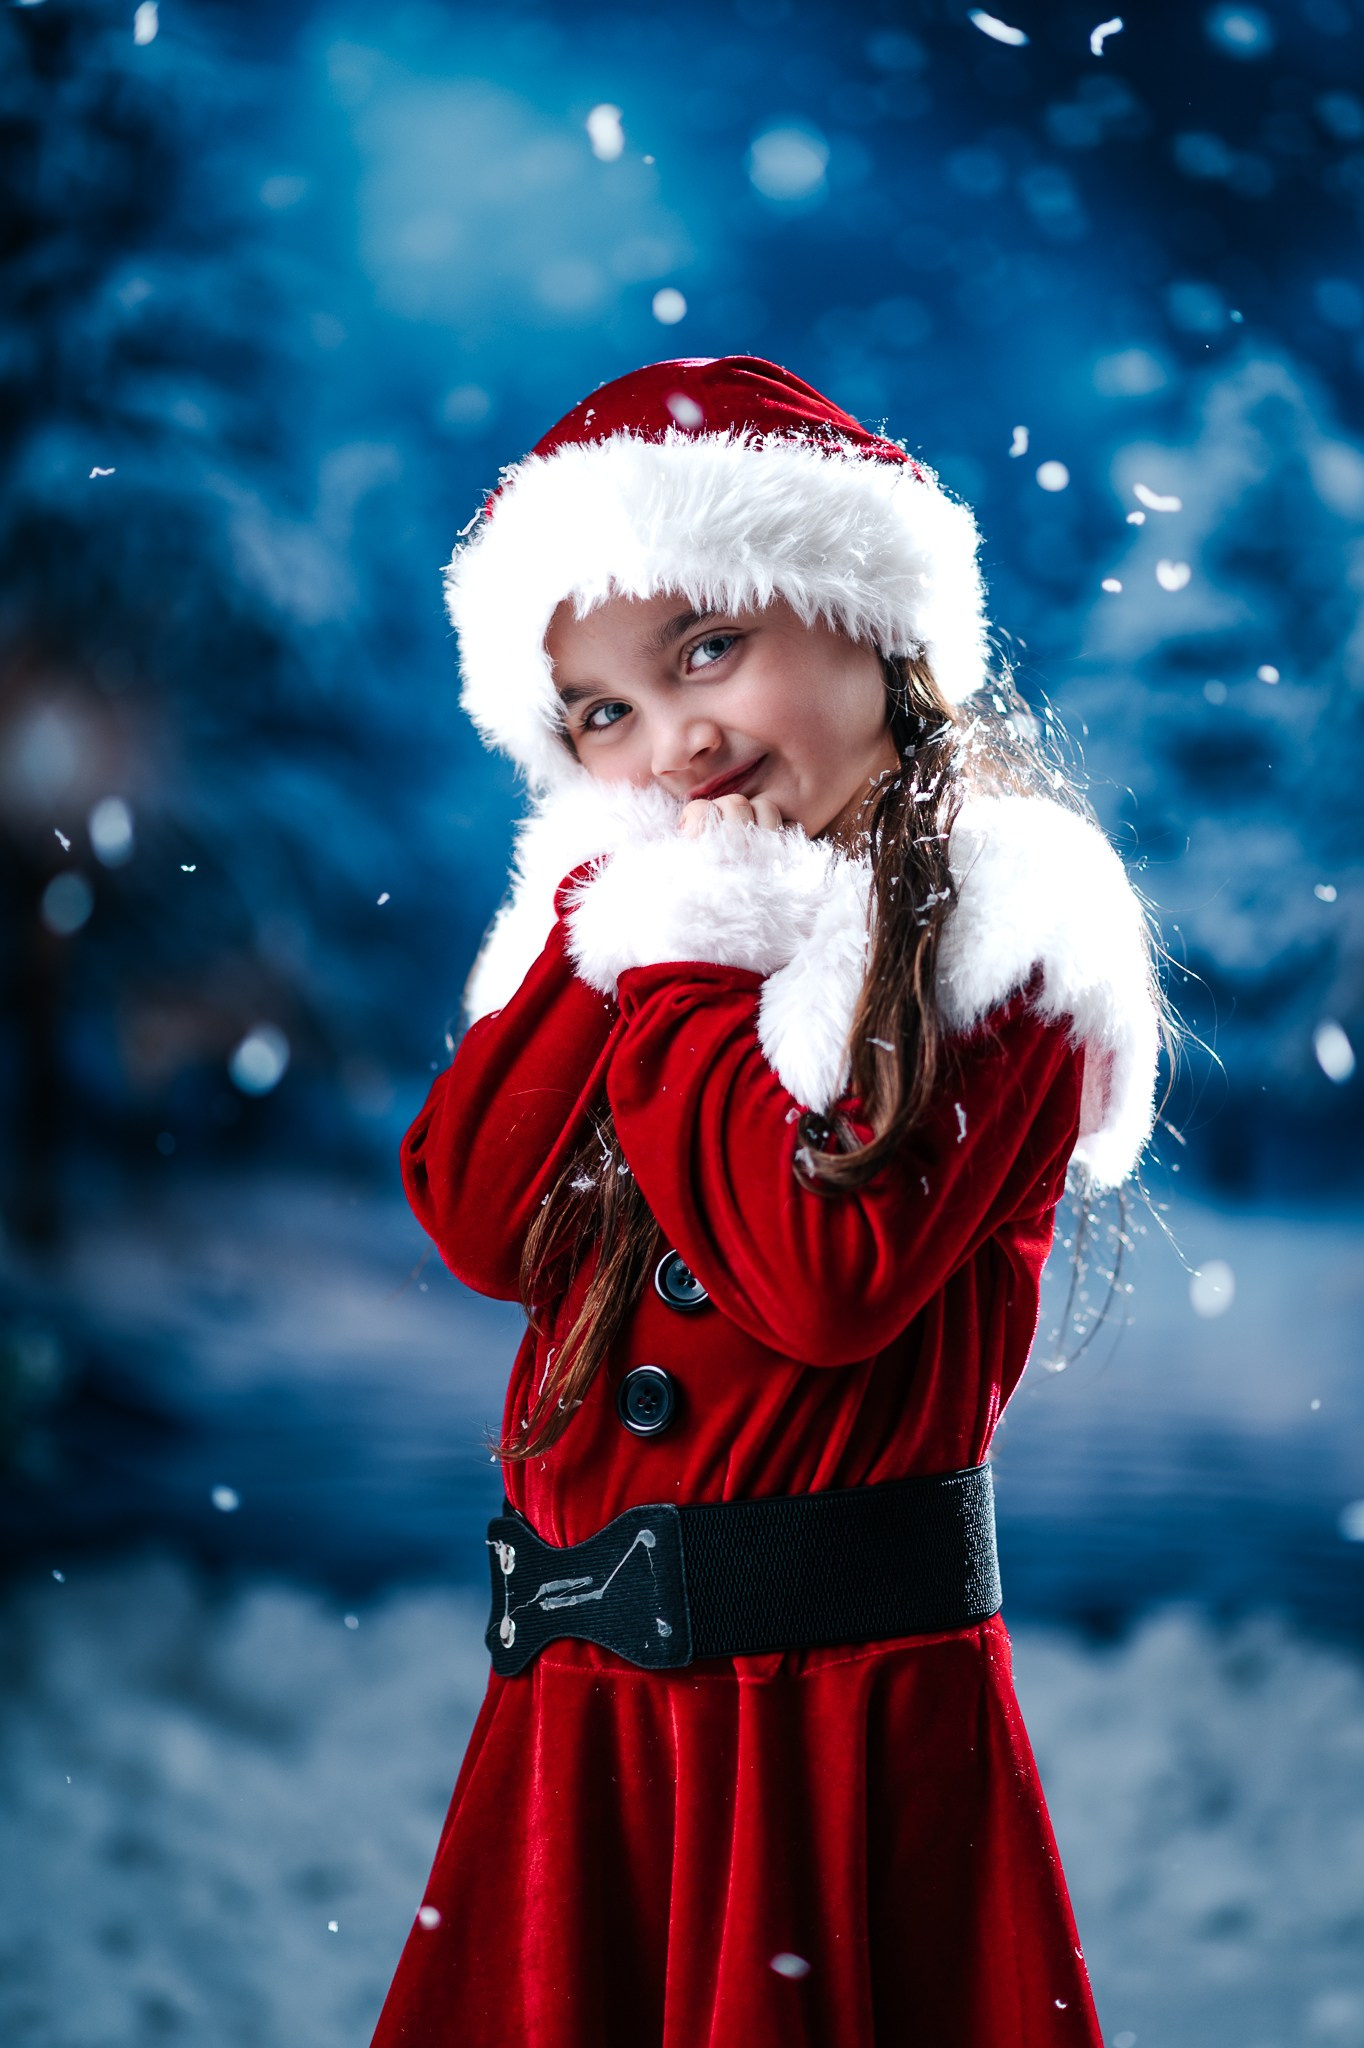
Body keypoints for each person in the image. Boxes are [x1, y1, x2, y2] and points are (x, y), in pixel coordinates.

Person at [371, 356, 1161, 2048]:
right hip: (588, 1727)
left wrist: (670, 972)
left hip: (826, 1731)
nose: (675, 741)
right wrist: (610, 954)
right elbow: (478, 1217)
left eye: (707, 650)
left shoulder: (995, 931)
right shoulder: (638, 924)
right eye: (603, 712)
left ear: (868, 623)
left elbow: (820, 1274)